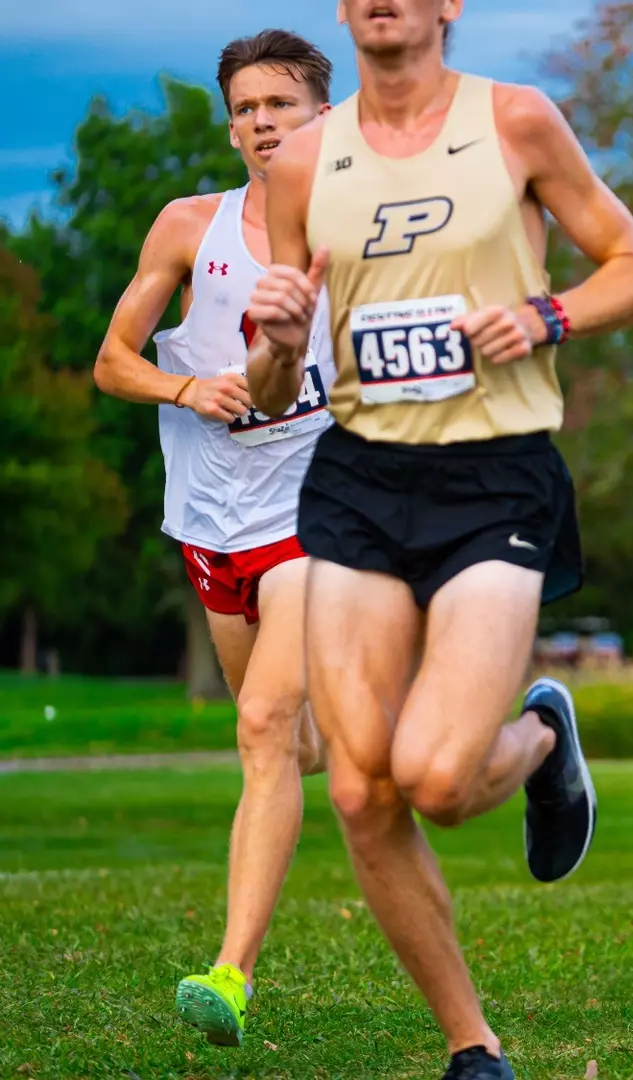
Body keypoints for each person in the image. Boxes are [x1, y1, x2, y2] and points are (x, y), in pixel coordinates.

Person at [243, 2, 633, 1075]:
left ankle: (538, 736)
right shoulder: (301, 162)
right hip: (358, 474)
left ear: (450, 6)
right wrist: (280, 343)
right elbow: (268, 378)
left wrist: (548, 316)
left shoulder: (518, 122)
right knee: (357, 787)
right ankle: (471, 1046)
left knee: (437, 777)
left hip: (494, 473)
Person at [93, 29, 335, 1048]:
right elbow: (110, 360)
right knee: (308, 748)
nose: (261, 122)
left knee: (261, 731)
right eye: (245, 107)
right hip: (209, 524)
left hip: (314, 520)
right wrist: (184, 384)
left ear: (325, 112)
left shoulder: (369, 234)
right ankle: (522, 735)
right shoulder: (191, 226)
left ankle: (231, 972)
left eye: (281, 103)